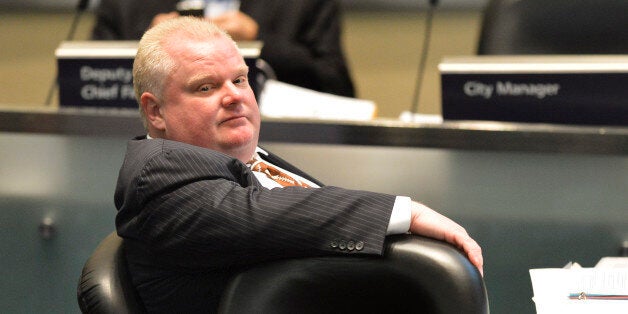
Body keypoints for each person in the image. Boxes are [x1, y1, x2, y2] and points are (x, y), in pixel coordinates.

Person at [115, 16, 483, 313]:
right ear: (155, 110)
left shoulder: (245, 159)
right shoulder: (157, 174)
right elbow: (252, 213)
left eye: (240, 79)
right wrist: (404, 212)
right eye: (206, 88)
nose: (234, 97)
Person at [91, 0, 356, 97]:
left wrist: (258, 41)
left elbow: (337, 86)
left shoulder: (305, 4)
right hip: (149, 155)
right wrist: (151, 42)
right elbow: (85, 81)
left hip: (275, 156)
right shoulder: (123, 4)